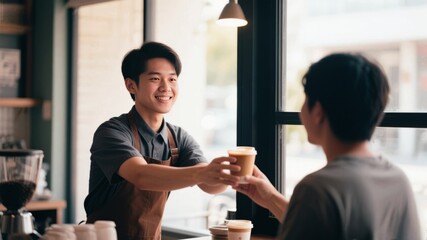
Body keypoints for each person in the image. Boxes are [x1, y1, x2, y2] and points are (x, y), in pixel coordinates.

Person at [233, 53, 421, 239]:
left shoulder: (317, 189)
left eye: (305, 100)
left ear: (317, 112)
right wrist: (270, 198)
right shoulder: (398, 180)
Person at [84, 41, 240, 240]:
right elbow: (141, 175)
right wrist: (204, 172)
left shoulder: (178, 138)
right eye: (155, 78)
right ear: (131, 85)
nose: (166, 87)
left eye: (172, 79)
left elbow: (210, 186)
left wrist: (227, 177)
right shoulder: (112, 132)